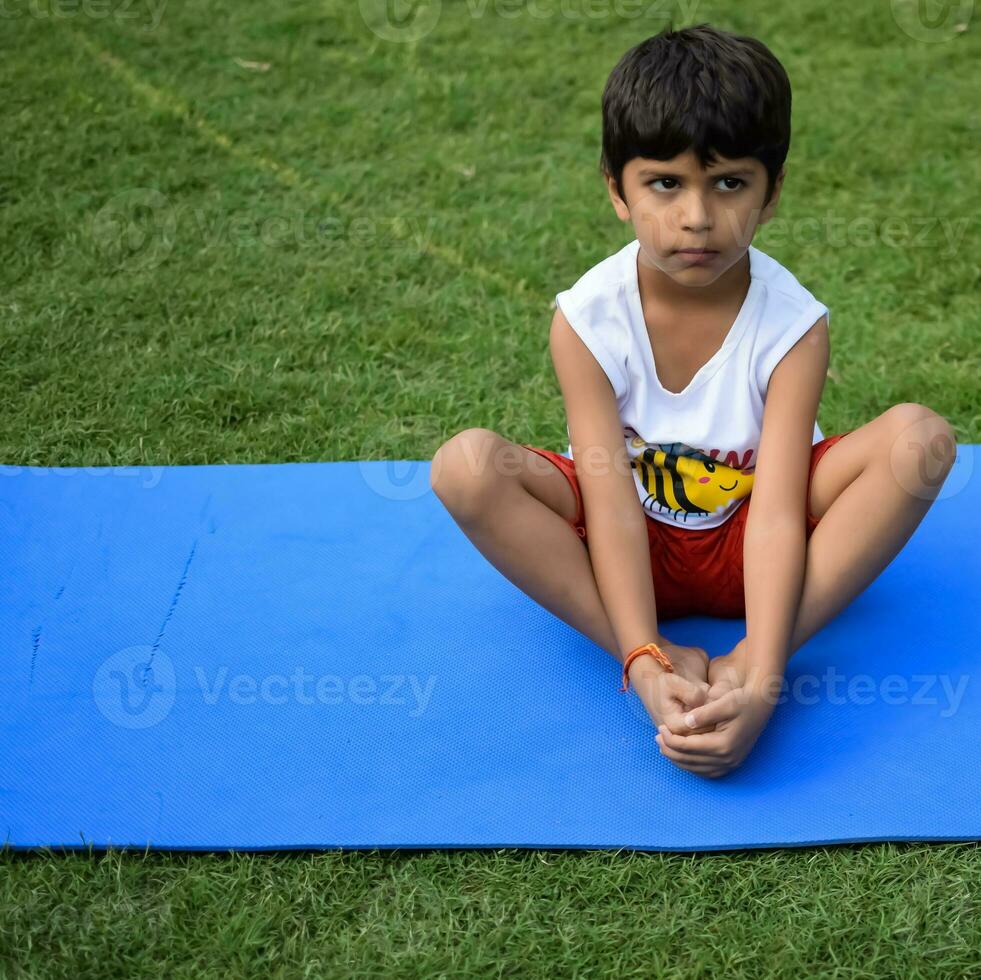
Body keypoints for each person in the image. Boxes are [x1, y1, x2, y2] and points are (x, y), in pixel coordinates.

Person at [429, 23, 957, 779]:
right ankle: (643, 645)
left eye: (729, 184)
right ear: (616, 189)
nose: (698, 218)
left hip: (753, 537)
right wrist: (643, 655)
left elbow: (777, 511)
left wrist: (763, 676)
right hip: (628, 537)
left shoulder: (793, 325)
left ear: (771, 192)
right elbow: (608, 500)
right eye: (665, 183)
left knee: (919, 439)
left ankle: (752, 656)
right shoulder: (585, 318)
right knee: (466, 466)